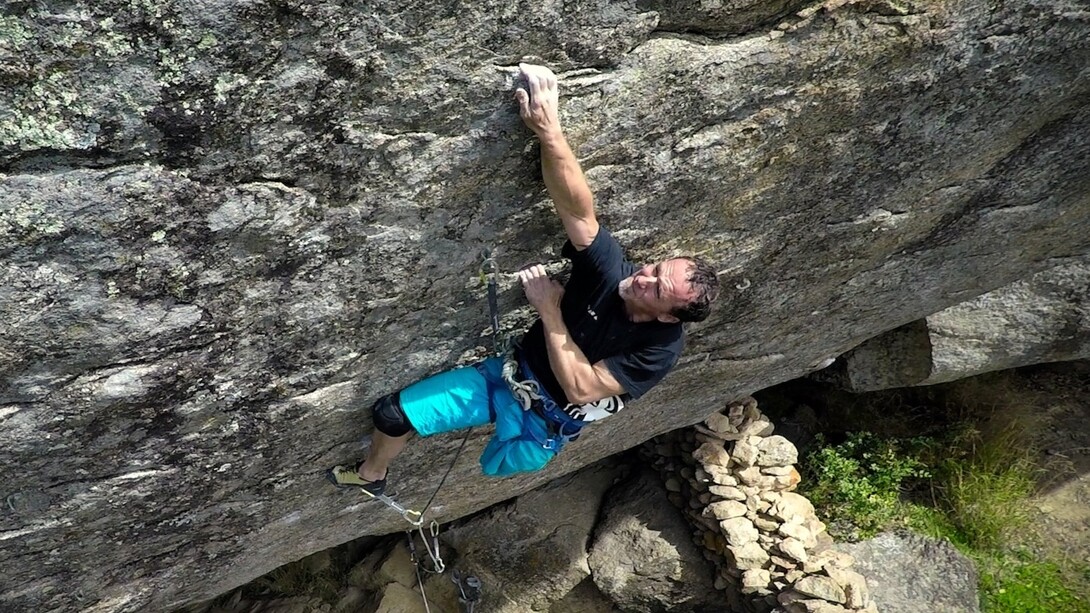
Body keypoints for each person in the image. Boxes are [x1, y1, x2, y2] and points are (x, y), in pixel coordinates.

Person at [328, 63, 720, 496]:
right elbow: (577, 210)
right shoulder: (615, 274)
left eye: (657, 289)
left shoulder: (660, 349)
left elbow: (581, 386)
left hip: (544, 417)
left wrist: (550, 310)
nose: (643, 277)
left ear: (669, 317)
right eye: (655, 268)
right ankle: (373, 475)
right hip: (509, 374)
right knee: (391, 414)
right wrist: (549, 131)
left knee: (500, 462)